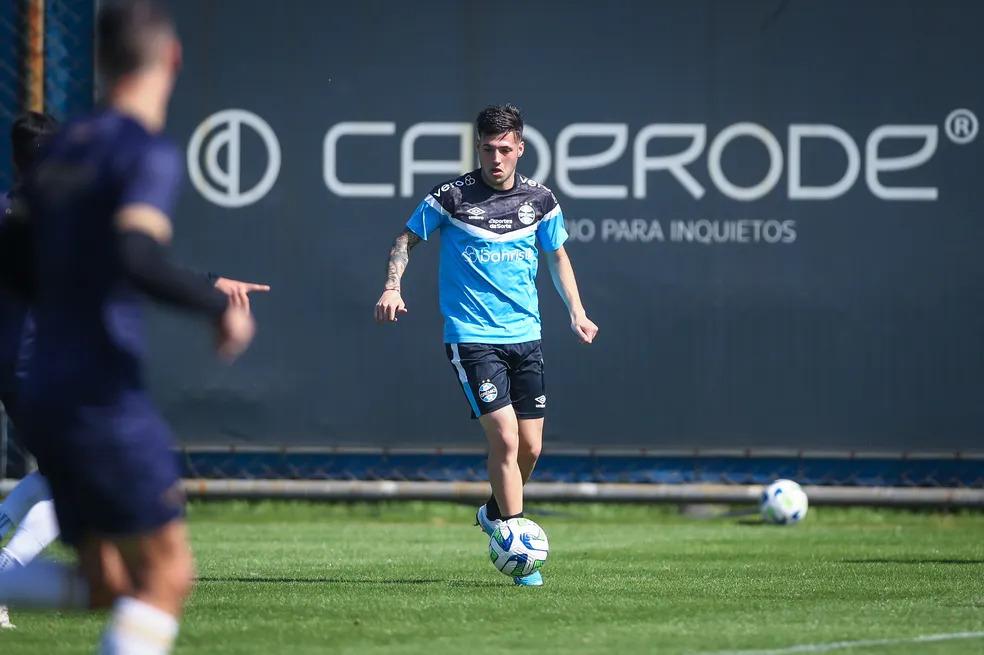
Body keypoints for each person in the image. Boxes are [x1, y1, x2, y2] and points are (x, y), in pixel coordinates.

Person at [0, 2, 254, 652]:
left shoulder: (63, 151)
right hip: (99, 395)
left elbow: (21, 266)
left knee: (106, 583)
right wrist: (214, 307)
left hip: (42, 393)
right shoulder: (139, 149)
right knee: (167, 572)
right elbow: (135, 253)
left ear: (103, 61)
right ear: (171, 59)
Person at [374, 104, 598, 587]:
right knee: (505, 438)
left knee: (532, 448)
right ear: (478, 147)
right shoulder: (450, 197)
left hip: (527, 336)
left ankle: (493, 511)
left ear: (520, 148)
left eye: (503, 149)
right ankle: (520, 555)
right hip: (473, 338)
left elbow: (559, 257)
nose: (494, 158)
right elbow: (404, 240)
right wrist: (393, 285)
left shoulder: (540, 200)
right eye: (486, 148)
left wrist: (576, 312)